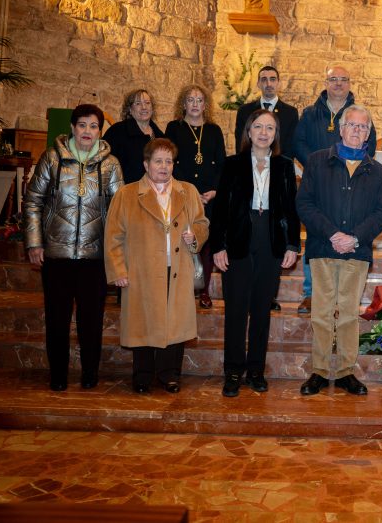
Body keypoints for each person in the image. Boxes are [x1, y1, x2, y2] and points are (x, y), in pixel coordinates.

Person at [23, 104, 123, 391]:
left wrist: (116, 252)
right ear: (72, 127)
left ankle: (90, 374)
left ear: (100, 131)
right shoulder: (52, 159)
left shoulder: (111, 164)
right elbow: (33, 202)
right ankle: (58, 376)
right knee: (57, 320)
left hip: (95, 258)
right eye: (82, 125)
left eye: (94, 126)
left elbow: (120, 213)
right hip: (57, 255)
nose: (87, 131)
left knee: (91, 321)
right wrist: (34, 242)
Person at [296, 105, 382, 397]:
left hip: (356, 252)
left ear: (368, 134)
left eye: (363, 127)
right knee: (322, 312)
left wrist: (355, 238)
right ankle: (320, 371)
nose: (356, 131)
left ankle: (348, 371)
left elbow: (381, 213)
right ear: (341, 128)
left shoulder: (375, 170)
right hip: (324, 248)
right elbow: (304, 204)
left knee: (348, 314)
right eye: (352, 125)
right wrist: (333, 233)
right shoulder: (317, 161)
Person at [104, 138, 209, 394]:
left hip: (177, 269)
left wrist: (194, 235)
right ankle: (142, 375)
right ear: (146, 164)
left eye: (169, 161)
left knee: (174, 325)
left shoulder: (188, 191)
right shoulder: (126, 195)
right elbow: (113, 235)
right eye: (158, 161)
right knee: (142, 324)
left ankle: (170, 374)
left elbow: (202, 223)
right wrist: (118, 270)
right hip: (141, 272)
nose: (164, 166)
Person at [211, 109, 300, 398]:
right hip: (238, 240)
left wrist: (292, 245)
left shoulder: (285, 166)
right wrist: (218, 246)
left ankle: (256, 371)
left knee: (261, 310)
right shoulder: (233, 164)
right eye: (258, 127)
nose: (264, 133)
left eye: (270, 128)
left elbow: (290, 209)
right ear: (248, 132)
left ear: (276, 135)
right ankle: (233, 371)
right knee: (236, 309)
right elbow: (220, 208)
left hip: (270, 240)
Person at [290, 66, 376, 315]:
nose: (338, 84)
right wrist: (318, 164)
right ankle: (310, 294)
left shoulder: (360, 115)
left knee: (346, 235)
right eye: (333, 79)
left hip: (351, 180)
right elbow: (298, 143)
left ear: (350, 83)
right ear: (326, 82)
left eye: (343, 79)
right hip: (319, 183)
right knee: (316, 234)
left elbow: (369, 147)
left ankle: (344, 298)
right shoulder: (310, 113)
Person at [165, 84, 226, 310]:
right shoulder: (174, 127)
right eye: (191, 100)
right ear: (183, 103)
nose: (195, 104)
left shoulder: (214, 130)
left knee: (206, 243)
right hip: (182, 193)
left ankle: (205, 290)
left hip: (210, 195)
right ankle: (181, 289)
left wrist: (215, 190)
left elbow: (221, 163)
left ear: (205, 105)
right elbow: (168, 159)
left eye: (200, 100)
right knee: (182, 241)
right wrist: (189, 191)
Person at [234, 64, 299, 159]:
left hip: (279, 168)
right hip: (250, 167)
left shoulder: (290, 113)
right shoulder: (244, 111)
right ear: (258, 84)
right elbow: (241, 143)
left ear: (278, 83)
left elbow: (291, 146)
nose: (269, 84)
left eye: (272, 79)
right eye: (264, 79)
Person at [102, 89, 165, 184]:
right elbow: (104, 165)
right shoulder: (117, 131)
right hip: (126, 192)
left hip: (155, 192)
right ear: (130, 110)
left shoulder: (160, 136)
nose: (144, 107)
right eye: (138, 103)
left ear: (152, 108)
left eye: (147, 103)